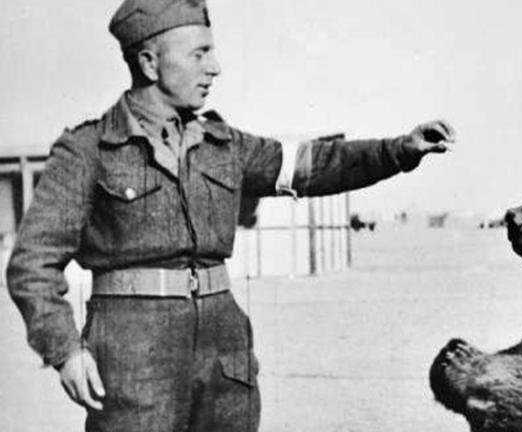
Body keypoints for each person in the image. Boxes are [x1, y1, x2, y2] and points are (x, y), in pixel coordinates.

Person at [5, 1, 455, 431]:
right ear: (149, 63)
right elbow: (32, 265)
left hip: (224, 355)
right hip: (133, 359)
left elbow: (315, 166)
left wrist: (399, 150)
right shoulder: (87, 151)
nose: (214, 67)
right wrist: (64, 350)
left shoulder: (227, 146)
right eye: (199, 53)